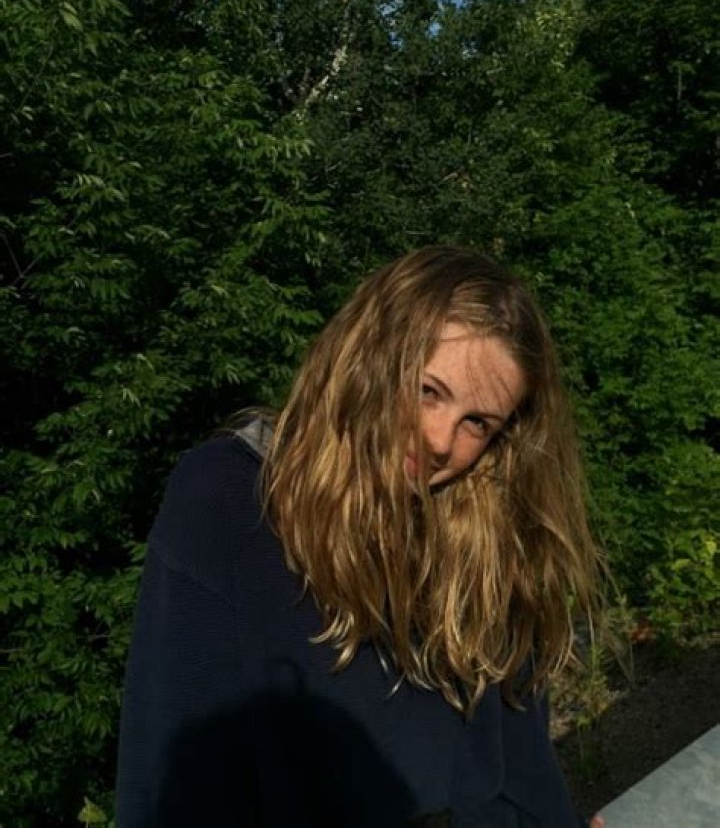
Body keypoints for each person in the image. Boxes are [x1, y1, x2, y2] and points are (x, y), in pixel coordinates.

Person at [116, 246, 606, 827]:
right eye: (428, 390)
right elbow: (169, 775)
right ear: (368, 358)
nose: (440, 440)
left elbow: (520, 774)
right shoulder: (230, 501)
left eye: (478, 423)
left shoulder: (486, 543)